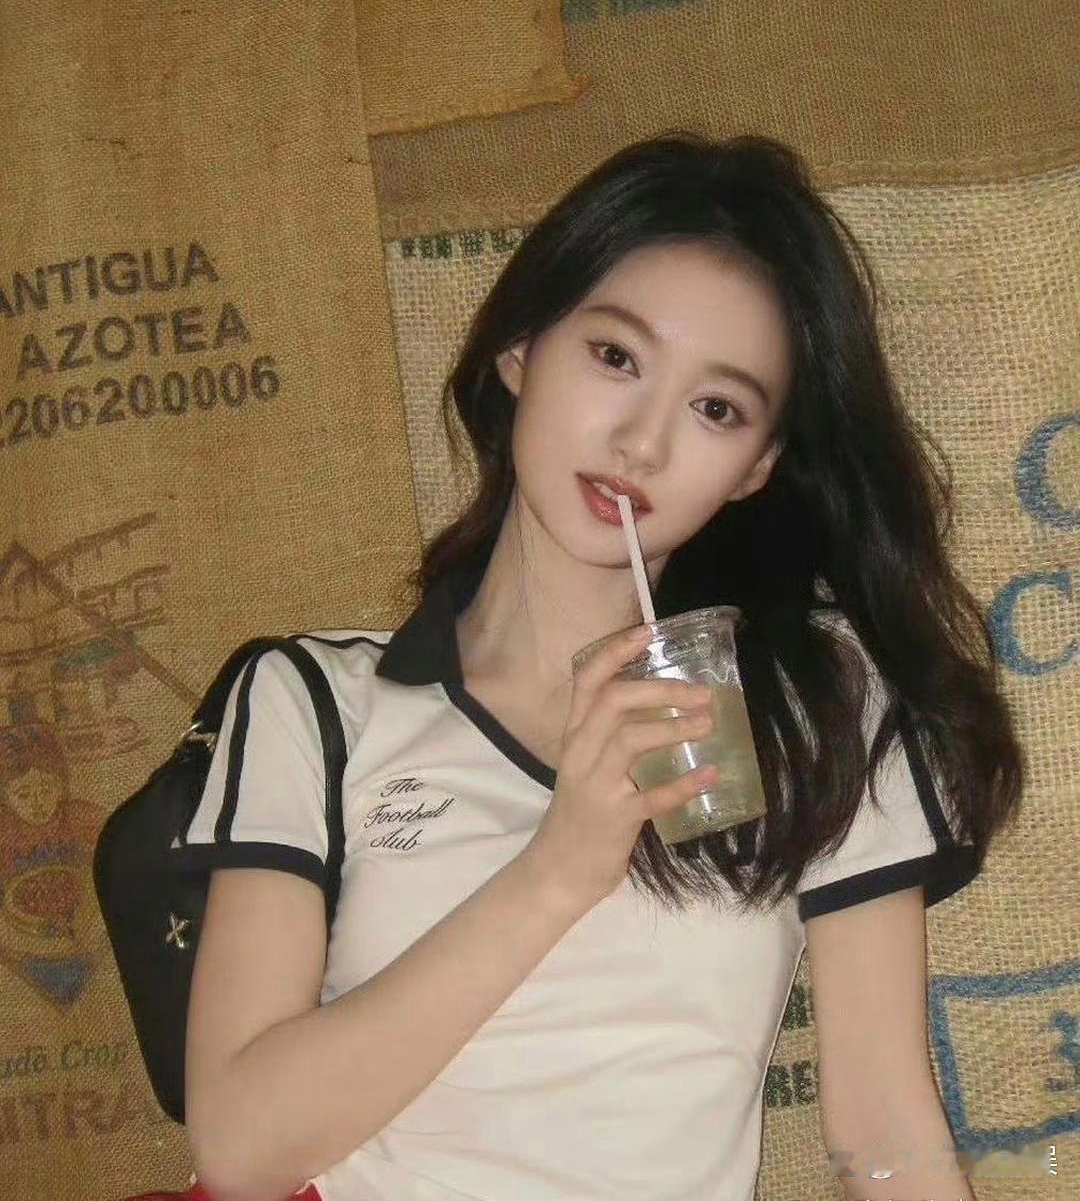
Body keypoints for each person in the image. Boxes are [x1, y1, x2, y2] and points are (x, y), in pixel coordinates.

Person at [167, 134, 1026, 1201]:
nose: (642, 442)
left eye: (717, 408)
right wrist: (562, 864)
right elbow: (241, 1150)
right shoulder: (317, 701)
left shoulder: (820, 704)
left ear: (756, 467)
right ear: (521, 347)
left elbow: (884, 1136)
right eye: (616, 357)